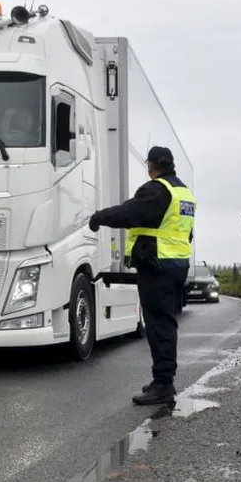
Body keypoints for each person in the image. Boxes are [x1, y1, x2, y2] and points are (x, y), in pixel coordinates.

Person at [87, 146, 195, 406]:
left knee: (159, 326)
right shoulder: (184, 193)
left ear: (152, 166)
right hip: (176, 264)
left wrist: (99, 217)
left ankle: (163, 384)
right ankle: (163, 380)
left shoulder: (157, 189)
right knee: (165, 323)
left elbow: (130, 213)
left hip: (157, 266)